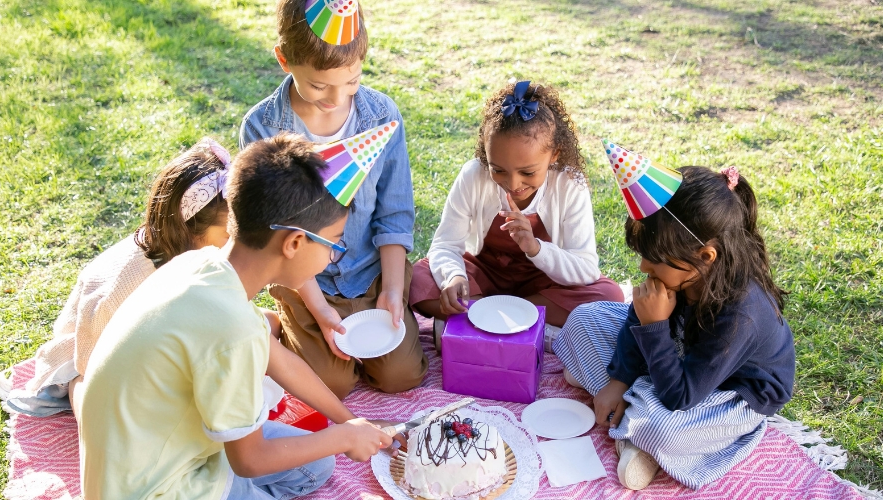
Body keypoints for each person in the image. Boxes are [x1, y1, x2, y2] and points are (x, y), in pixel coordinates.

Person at [76, 134, 400, 500]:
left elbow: (284, 365)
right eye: (334, 244)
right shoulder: (233, 329)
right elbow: (251, 459)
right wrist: (341, 437)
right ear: (294, 243)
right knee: (308, 452)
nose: (331, 258)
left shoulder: (202, 265)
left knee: (317, 462)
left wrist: (350, 423)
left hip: (152, 457)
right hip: (154, 488)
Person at [553, 166, 795, 490]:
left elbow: (680, 397)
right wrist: (619, 378)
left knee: (663, 428)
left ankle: (643, 436)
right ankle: (628, 403)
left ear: (705, 256)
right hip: (679, 359)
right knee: (584, 320)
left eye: (654, 258)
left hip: (726, 393)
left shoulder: (741, 315)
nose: (642, 267)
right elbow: (633, 323)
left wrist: (654, 326)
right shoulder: (685, 272)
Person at [239, 0, 426, 400]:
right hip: (308, 280)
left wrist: (392, 290)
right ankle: (283, 323)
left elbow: (394, 214)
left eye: (352, 81)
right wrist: (321, 311)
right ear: (284, 60)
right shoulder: (262, 127)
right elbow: (277, 236)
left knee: (401, 375)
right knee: (333, 384)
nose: (337, 98)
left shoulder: (381, 116)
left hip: (369, 273)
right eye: (320, 85)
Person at [5, 138, 234, 416]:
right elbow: (94, 361)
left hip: (149, 344)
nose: (235, 239)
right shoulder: (125, 287)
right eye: (229, 232)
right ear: (190, 229)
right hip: (90, 352)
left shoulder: (191, 251)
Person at [410, 81, 624, 350]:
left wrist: (536, 249)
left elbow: (586, 268)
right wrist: (454, 277)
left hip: (543, 286)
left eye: (528, 172)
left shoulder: (570, 184)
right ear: (486, 156)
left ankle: (473, 323)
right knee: (417, 277)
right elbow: (445, 245)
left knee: (609, 296)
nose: (512, 183)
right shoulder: (473, 175)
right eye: (498, 170)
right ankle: (532, 329)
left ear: (554, 155)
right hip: (482, 277)